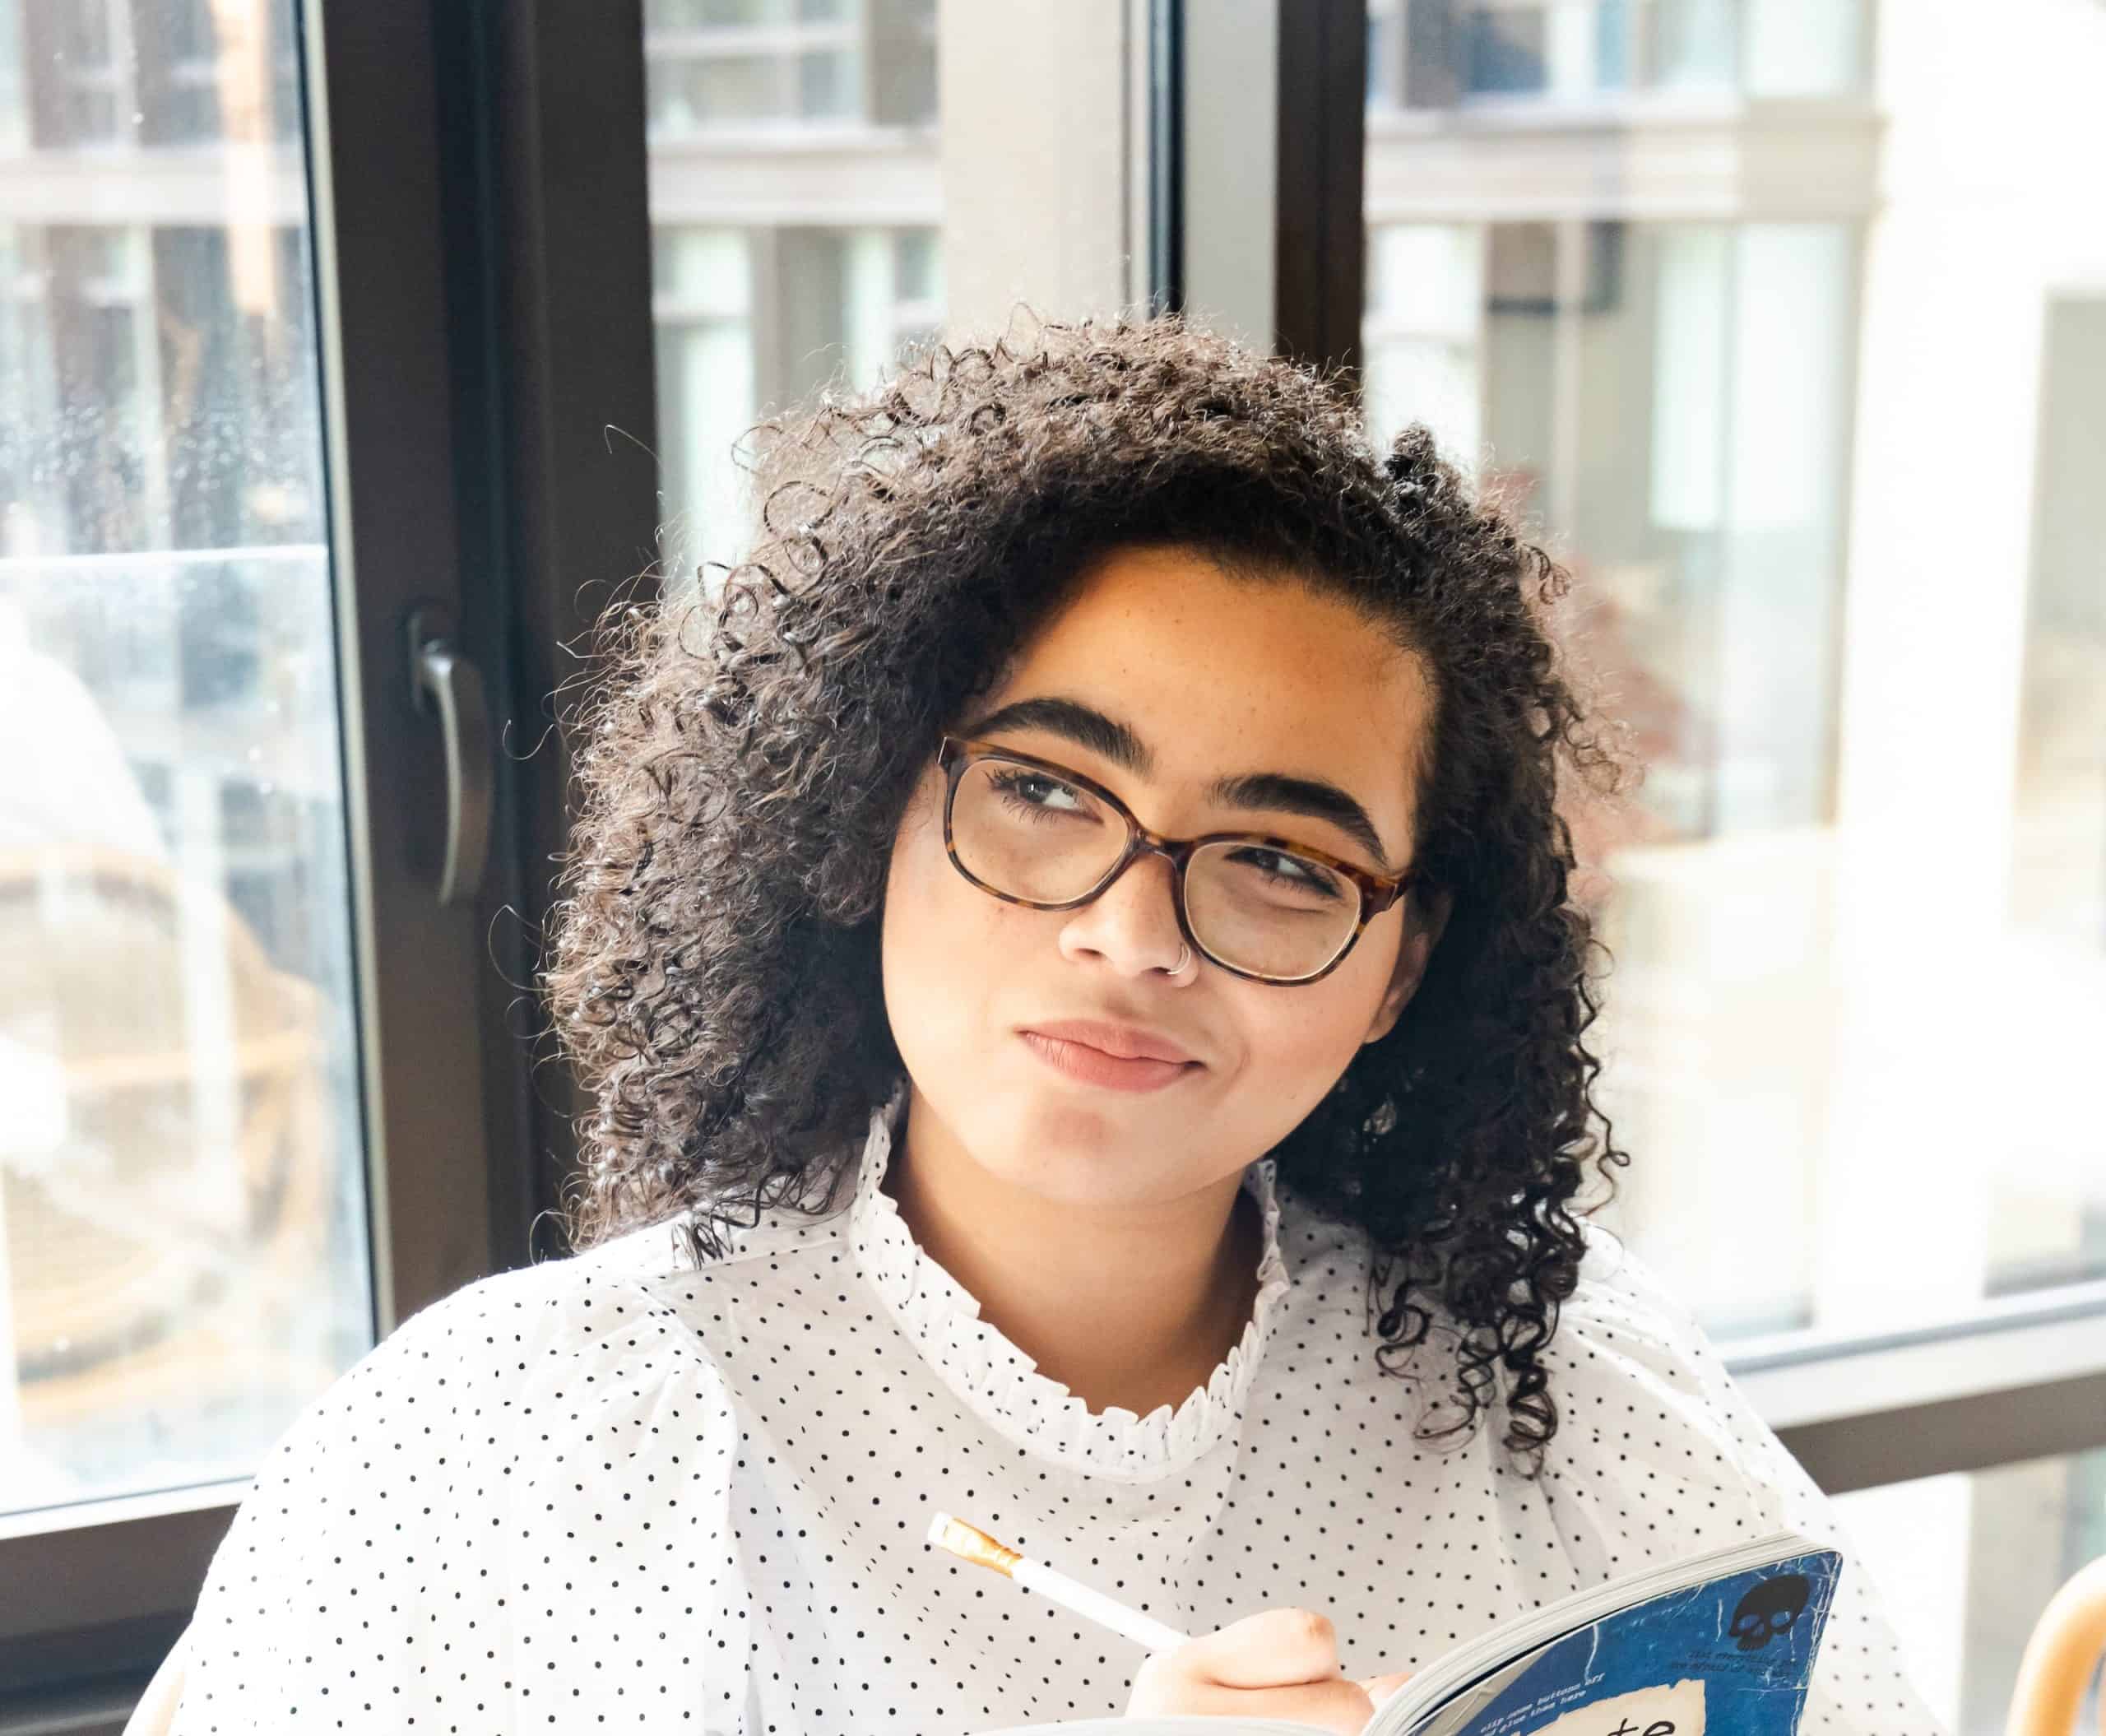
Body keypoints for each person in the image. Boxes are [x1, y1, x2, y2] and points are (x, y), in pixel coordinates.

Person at [169, 313, 1941, 1734]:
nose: (1127, 932)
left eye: (1272, 857)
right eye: (1038, 790)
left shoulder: (1565, 1392)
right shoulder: (509, 1449)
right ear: (860, 808)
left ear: (1402, 960)